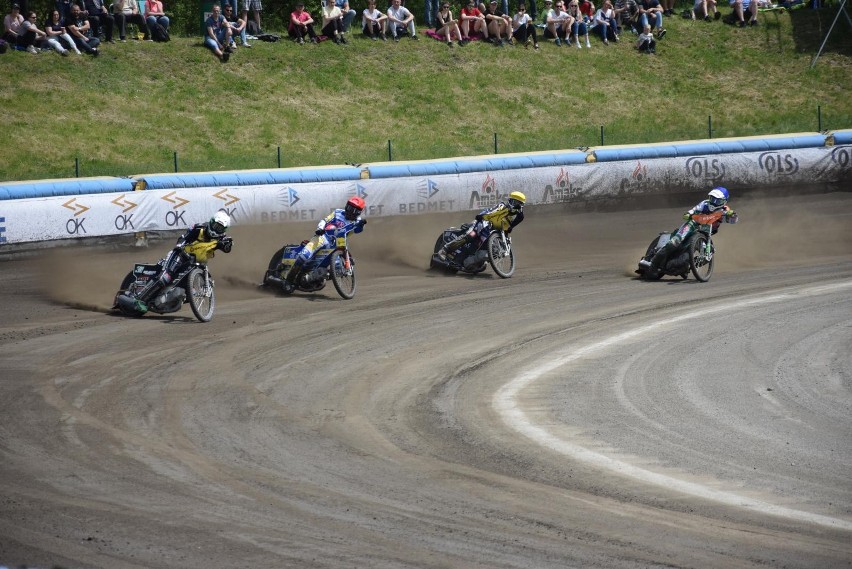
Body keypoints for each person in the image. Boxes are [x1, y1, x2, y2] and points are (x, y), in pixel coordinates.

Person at [126, 211, 234, 312]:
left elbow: (226, 248)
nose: (216, 230)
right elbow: (183, 238)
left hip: (198, 263)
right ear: (211, 222)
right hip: (181, 255)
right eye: (215, 226)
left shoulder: (221, 238)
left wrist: (227, 245)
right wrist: (180, 246)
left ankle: (168, 298)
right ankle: (137, 298)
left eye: (220, 229)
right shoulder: (199, 228)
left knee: (187, 288)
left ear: (224, 230)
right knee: (165, 277)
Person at [644, 187, 738, 278]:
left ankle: (686, 267)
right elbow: (693, 210)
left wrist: (733, 216)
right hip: (692, 225)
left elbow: (733, 221)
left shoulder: (725, 210)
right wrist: (688, 214)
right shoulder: (705, 203)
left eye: (717, 200)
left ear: (724, 201)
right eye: (712, 199)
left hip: (705, 233)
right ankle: (653, 265)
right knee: (674, 242)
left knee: (708, 253)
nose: (713, 202)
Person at [284, 197, 366, 288]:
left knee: (338, 268)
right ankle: (288, 281)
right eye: (350, 207)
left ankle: (314, 277)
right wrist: (320, 228)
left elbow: (358, 230)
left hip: (338, 243)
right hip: (323, 237)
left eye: (354, 210)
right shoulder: (337, 212)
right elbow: (325, 220)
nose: (350, 211)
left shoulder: (358, 221)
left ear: (359, 212)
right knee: (303, 256)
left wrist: (361, 225)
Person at [438, 191, 526, 261]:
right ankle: (445, 250)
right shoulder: (502, 206)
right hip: (484, 222)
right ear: (510, 201)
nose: (516, 205)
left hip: (493, 232)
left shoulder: (517, 215)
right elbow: (492, 212)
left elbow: (519, 219)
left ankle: (475, 262)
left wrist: (510, 228)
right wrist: (481, 217)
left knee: (495, 250)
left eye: (518, 203)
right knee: (471, 235)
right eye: (514, 202)